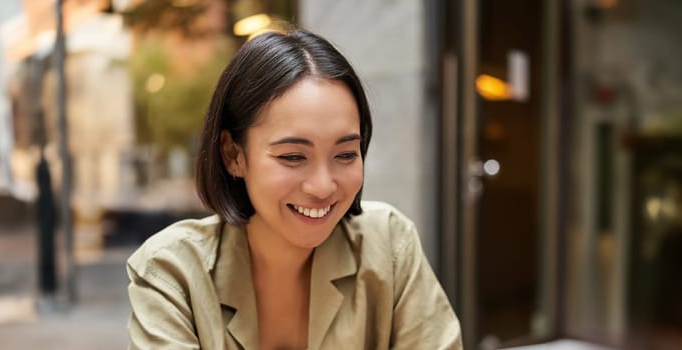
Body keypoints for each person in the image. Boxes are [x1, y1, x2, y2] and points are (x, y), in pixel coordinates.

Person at [126, 29, 462, 350]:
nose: (322, 186)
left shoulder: (389, 245)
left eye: (345, 154)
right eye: (292, 157)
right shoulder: (172, 271)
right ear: (233, 155)